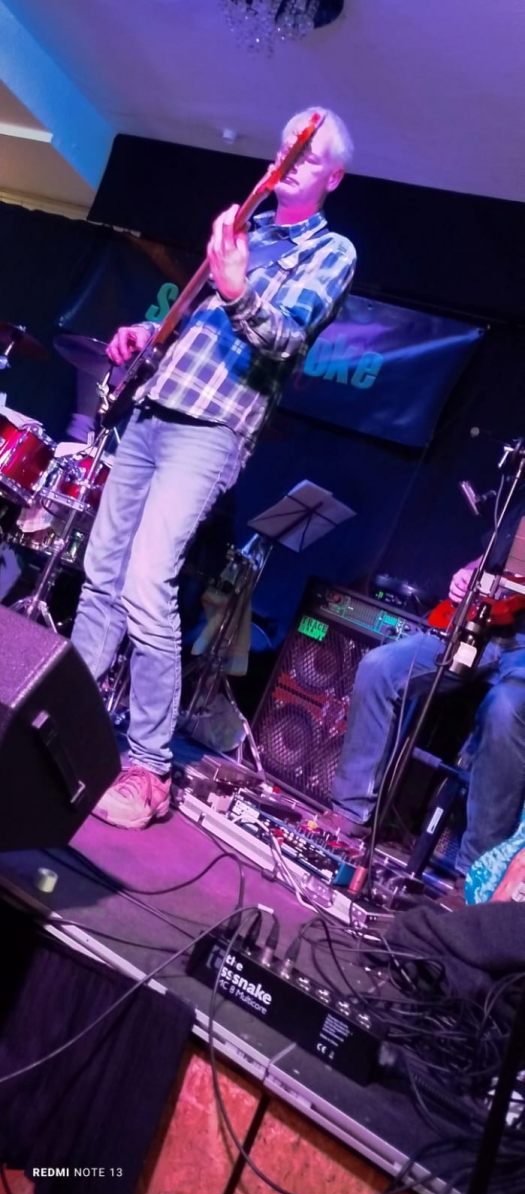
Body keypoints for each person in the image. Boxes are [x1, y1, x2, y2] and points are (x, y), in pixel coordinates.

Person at [71, 107, 357, 829]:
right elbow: (196, 327)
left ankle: (147, 769)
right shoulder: (247, 231)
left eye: (309, 153)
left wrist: (236, 287)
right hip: (155, 406)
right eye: (286, 145)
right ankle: (64, 724)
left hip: (212, 429)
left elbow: (284, 339)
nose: (290, 158)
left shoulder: (331, 251)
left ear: (332, 177)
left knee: (146, 582)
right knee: (101, 574)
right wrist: (149, 335)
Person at [328, 505, 525, 881]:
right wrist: (469, 574)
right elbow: (497, 559)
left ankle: (476, 872)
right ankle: (350, 813)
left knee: (504, 710)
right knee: (380, 667)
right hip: (479, 629)